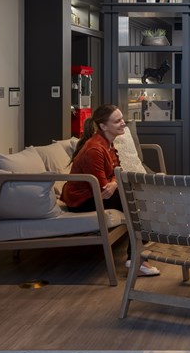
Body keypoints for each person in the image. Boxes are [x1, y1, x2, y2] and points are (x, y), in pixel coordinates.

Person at [61, 105, 160, 277]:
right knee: (140, 202)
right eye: (117, 121)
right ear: (103, 126)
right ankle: (136, 260)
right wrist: (114, 183)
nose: (123, 123)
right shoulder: (95, 149)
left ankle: (136, 257)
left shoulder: (107, 143)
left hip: (97, 192)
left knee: (142, 199)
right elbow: (103, 189)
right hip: (82, 200)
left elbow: (116, 170)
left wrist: (114, 182)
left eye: (122, 119)